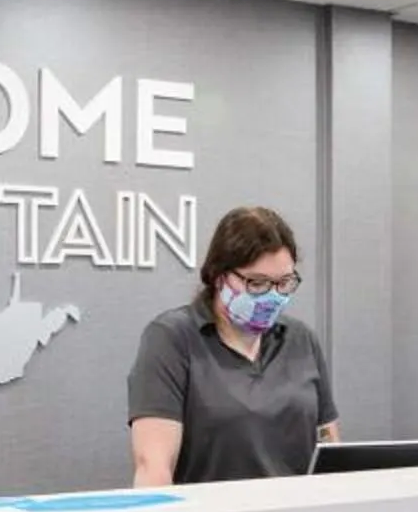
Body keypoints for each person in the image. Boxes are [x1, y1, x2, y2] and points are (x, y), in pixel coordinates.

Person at [128, 204, 340, 485]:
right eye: (257, 283)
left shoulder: (301, 340)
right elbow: (153, 466)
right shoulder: (172, 338)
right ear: (220, 277)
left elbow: (331, 448)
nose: (272, 296)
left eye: (284, 283)